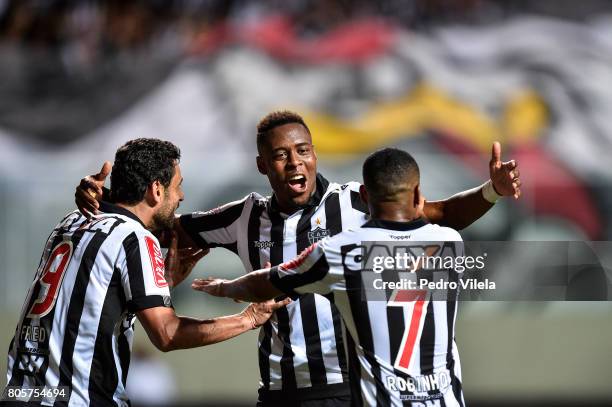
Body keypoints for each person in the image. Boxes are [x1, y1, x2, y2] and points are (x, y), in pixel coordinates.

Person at [75, 111, 521, 406]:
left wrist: (493, 192)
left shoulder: (356, 205)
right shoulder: (243, 216)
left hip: (352, 387)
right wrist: (104, 199)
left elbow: (440, 214)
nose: (294, 163)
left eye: (302, 151)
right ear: (262, 165)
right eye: (281, 156)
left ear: (314, 154)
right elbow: (156, 218)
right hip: (282, 390)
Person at [1, 139, 288, 407]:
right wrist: (247, 318)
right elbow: (168, 334)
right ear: (156, 189)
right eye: (177, 186)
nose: (181, 196)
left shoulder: (71, 221)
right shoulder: (135, 238)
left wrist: (161, 282)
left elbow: (91, 297)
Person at [192, 148, 467, 406]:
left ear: (365, 196)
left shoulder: (340, 251)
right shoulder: (450, 242)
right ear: (418, 194)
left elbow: (265, 283)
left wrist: (225, 287)